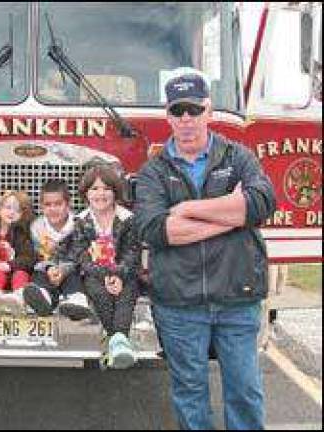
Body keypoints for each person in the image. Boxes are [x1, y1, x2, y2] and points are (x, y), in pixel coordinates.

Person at [135, 68, 276, 430]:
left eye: (193, 110)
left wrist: (187, 209)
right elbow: (155, 229)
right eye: (178, 111)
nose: (186, 119)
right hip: (180, 304)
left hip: (237, 298)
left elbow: (261, 203)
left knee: (244, 392)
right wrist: (231, 213)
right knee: (189, 393)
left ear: (208, 111)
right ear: (168, 115)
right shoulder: (153, 171)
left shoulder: (238, 156)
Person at [64, 165, 142, 368]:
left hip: (125, 274)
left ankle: (116, 341)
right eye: (94, 189)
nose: (101, 194)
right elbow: (82, 257)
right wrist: (105, 276)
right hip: (95, 276)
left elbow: (132, 253)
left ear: (115, 192)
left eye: (106, 189)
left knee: (126, 294)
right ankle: (118, 341)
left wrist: (118, 275)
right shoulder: (81, 221)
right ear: (86, 193)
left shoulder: (128, 219)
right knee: (99, 293)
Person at [23, 179, 92, 320]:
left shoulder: (78, 225)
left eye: (58, 204)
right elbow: (38, 255)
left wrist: (62, 270)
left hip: (72, 267)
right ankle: (45, 298)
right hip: (48, 268)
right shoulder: (37, 227)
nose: (53, 209)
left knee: (75, 275)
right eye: (48, 205)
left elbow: (78, 254)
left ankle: (76, 299)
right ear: (41, 206)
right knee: (39, 274)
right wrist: (49, 268)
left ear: (68, 205)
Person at [0, 190, 36, 316]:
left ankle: (18, 299)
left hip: (16, 271)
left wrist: (10, 265)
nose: (12, 212)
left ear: (23, 214)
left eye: (18, 210)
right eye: (8, 207)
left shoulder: (24, 231)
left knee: (20, 274)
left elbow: (29, 258)